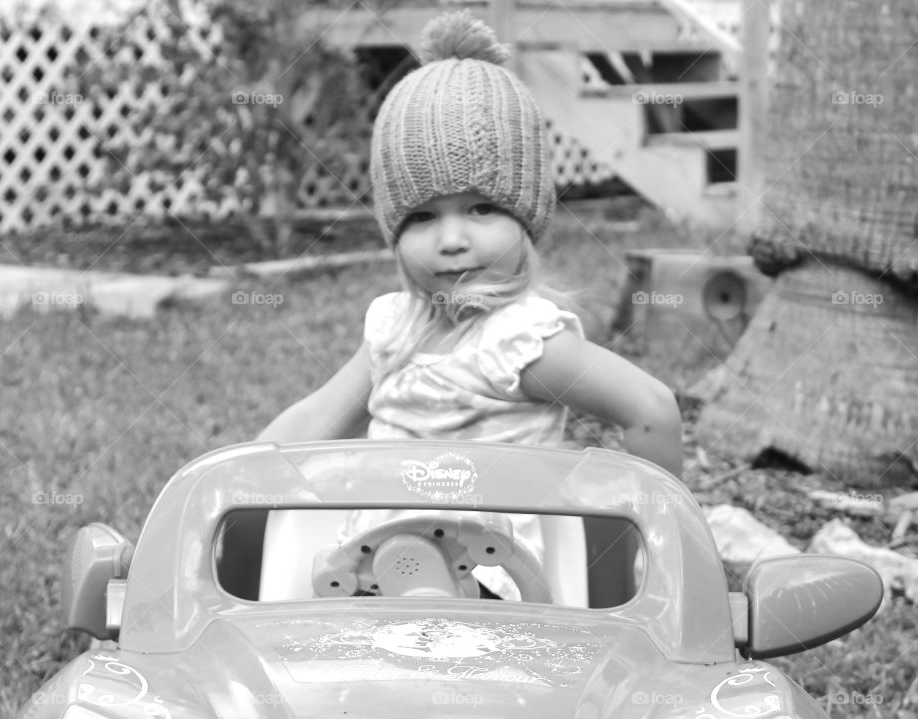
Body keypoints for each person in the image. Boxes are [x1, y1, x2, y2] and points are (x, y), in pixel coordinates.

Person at [257, 10, 682, 477]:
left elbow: (652, 410)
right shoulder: (396, 330)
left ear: (525, 217)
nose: (452, 240)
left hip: (492, 551)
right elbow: (318, 417)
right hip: (380, 547)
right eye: (421, 217)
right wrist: (240, 473)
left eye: (481, 209)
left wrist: (643, 538)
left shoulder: (520, 343)